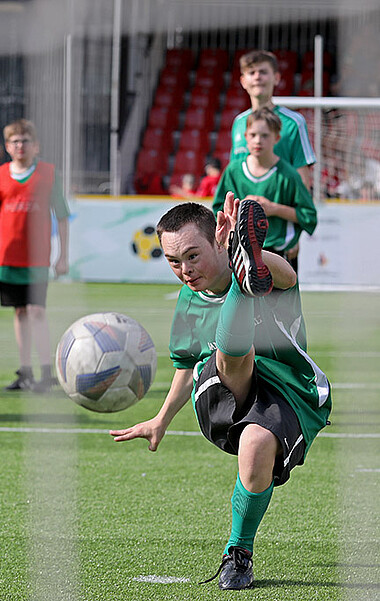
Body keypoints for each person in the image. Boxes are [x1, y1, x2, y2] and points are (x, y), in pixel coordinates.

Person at [110, 199, 331, 590]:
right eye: (174, 261)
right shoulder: (187, 304)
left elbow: (287, 276)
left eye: (193, 255)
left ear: (218, 242)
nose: (185, 269)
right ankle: (243, 293)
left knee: (258, 445)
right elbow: (184, 366)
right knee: (231, 353)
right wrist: (161, 419)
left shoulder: (269, 275)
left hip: (288, 392)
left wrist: (256, 257)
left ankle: (238, 553)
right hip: (220, 390)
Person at [0, 118, 70, 393]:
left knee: (37, 311)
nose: (20, 145)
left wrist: (63, 256)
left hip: (37, 257)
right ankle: (25, 371)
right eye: (15, 141)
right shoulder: (0, 175)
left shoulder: (48, 173)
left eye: (25, 140)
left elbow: (62, 217)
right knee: (19, 312)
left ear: (36, 145)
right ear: (7, 146)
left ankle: (45, 371)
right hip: (6, 256)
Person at [214, 108, 316, 273]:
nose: (258, 141)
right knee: (243, 299)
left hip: (280, 254)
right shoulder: (233, 171)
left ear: (276, 138)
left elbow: (308, 216)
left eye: (265, 135)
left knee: (281, 299)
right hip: (242, 254)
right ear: (245, 137)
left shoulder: (289, 175)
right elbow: (218, 211)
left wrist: (273, 209)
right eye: (253, 135)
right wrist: (242, 208)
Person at [230, 50, 315, 185]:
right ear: (243, 81)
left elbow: (303, 181)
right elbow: (233, 175)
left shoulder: (294, 122)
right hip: (245, 205)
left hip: (280, 205)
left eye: (263, 72)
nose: (257, 77)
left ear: (276, 78)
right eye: (252, 73)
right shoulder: (239, 122)